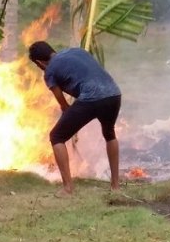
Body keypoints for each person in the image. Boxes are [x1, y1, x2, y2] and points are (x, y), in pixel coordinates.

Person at [28, 41, 122, 196]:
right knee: (109, 133)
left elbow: (63, 105)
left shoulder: (49, 71)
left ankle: (68, 188)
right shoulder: (78, 51)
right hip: (114, 93)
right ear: (52, 50)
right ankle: (115, 186)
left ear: (39, 62)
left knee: (57, 136)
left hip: (92, 97)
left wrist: (69, 117)